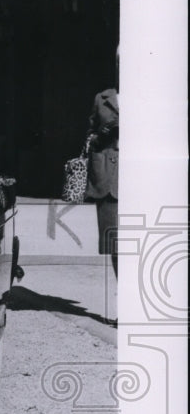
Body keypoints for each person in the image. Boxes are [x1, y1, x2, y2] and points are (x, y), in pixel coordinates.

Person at [85, 86, 119, 275]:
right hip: (108, 177)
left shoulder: (149, 95)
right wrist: (104, 131)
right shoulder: (102, 98)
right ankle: (123, 292)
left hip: (139, 178)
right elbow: (91, 138)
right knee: (116, 244)